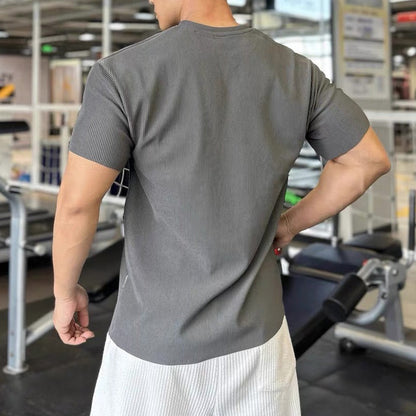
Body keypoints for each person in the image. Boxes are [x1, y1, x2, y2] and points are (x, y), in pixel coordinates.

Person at [51, 0, 391, 415]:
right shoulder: (296, 71)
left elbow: (76, 205)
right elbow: (367, 160)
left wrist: (64, 292)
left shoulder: (122, 73)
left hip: (154, 349)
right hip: (260, 347)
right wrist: (289, 223)